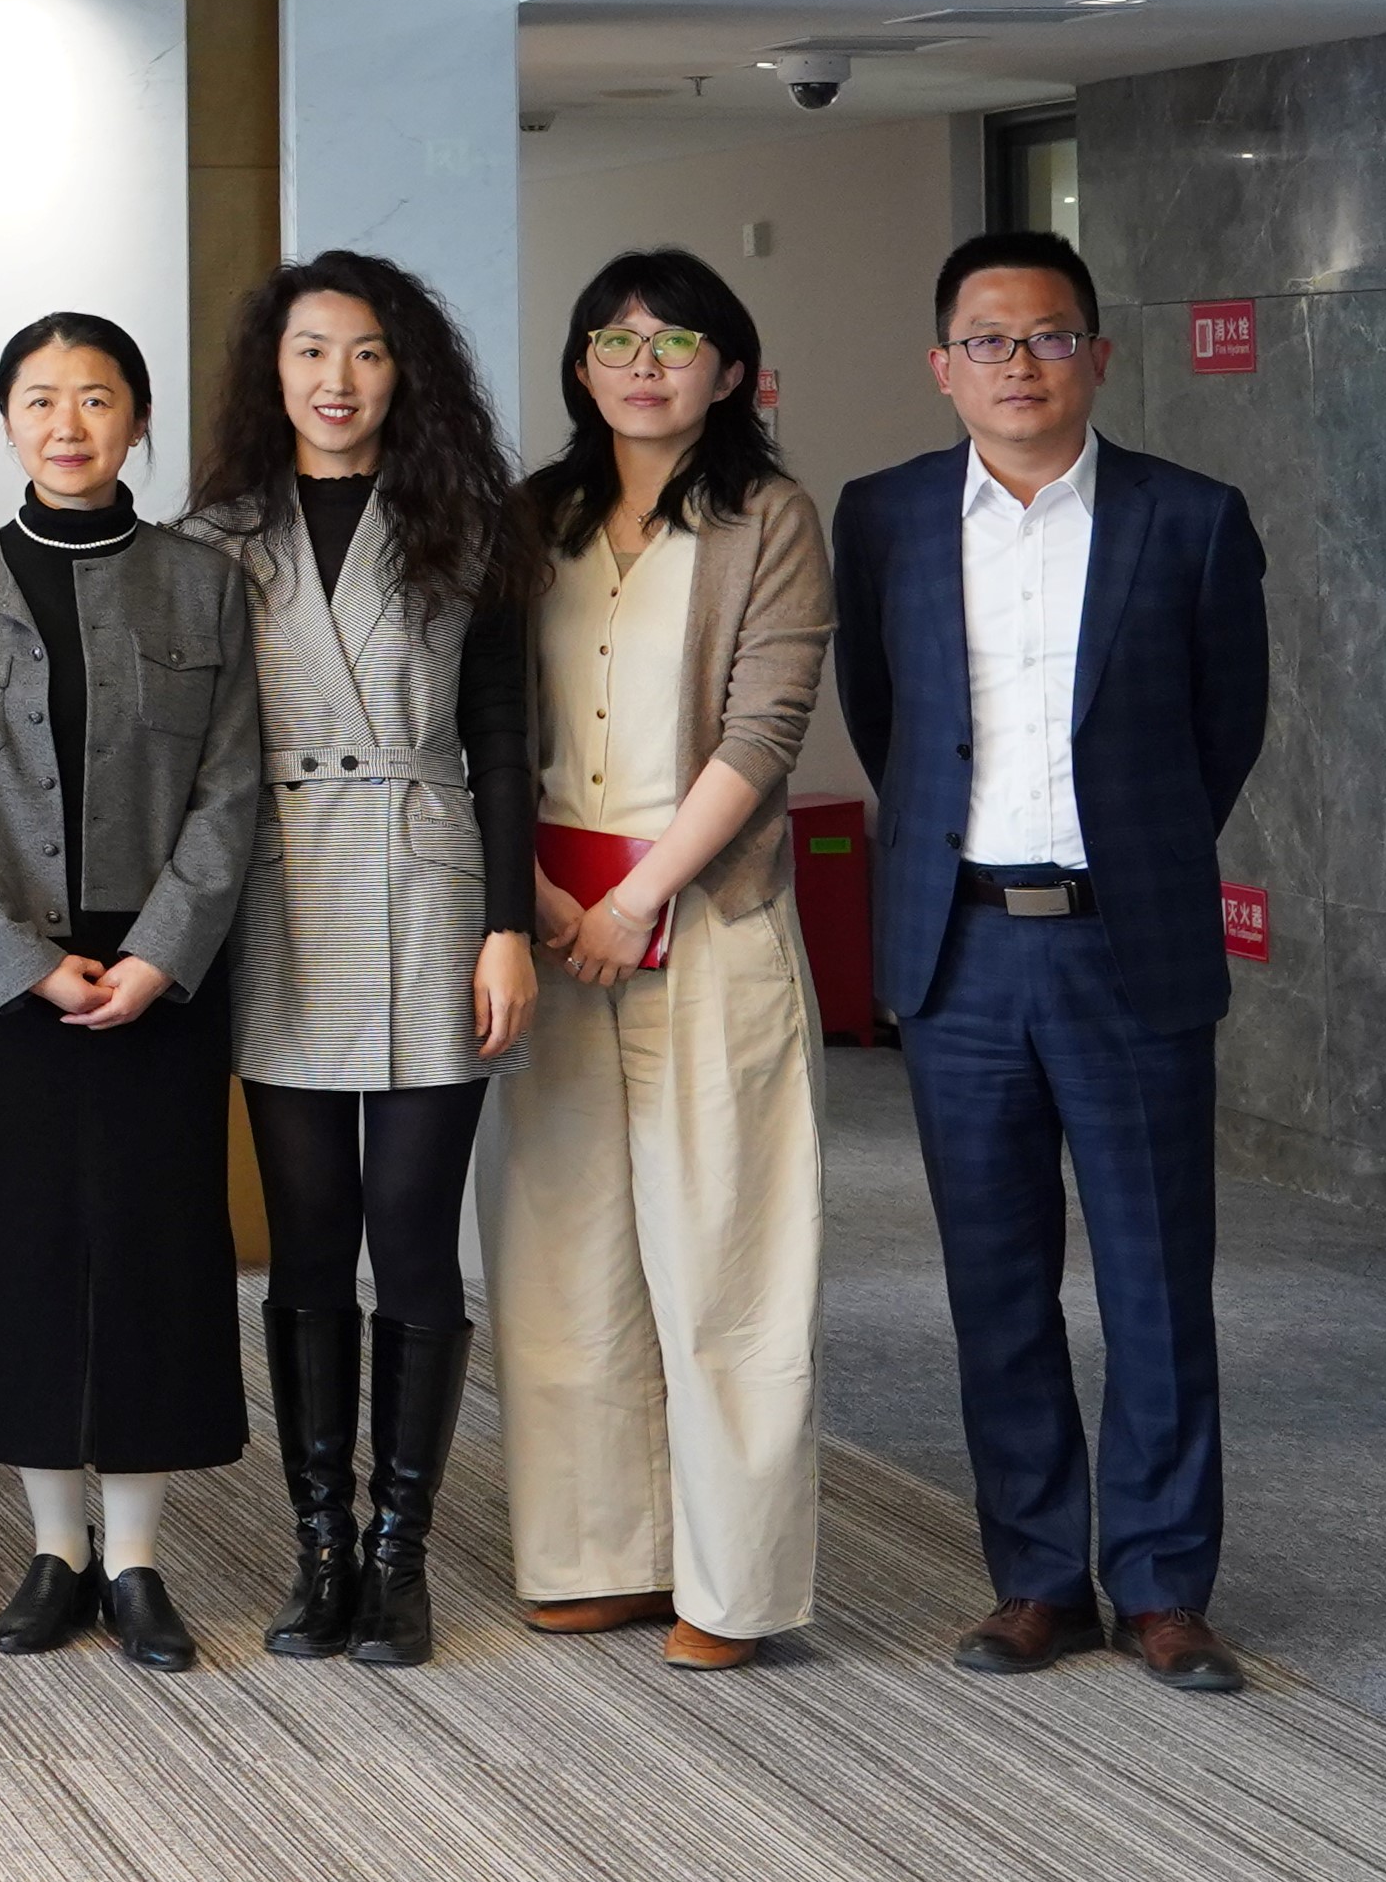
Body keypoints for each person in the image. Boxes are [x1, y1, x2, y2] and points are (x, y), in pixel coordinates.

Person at [833, 227, 1271, 1693]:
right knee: (996, 1283)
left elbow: (1223, 729)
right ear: (942, 365)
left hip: (1126, 947)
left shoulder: (1190, 518)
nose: (1018, 364)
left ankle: (1163, 1585)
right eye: (988, 340)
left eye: (1047, 336)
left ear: (1098, 353)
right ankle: (1034, 1579)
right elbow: (886, 717)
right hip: (959, 951)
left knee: (1156, 1280)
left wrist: (1127, 857)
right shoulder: (886, 516)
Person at [174, 251, 541, 1670]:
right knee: (310, 1238)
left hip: (432, 881)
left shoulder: (466, 523)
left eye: (369, 352)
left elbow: (503, 737)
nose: (339, 380)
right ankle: (317, 1545)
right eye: (312, 352)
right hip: (280, 897)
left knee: (414, 1235)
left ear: (407, 372)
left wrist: (508, 923)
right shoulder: (216, 537)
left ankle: (402, 1555)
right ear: (272, 372)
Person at [0, 309, 267, 1676]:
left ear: (138, 420)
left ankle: (140, 1559)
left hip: (161, 968)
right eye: (41, 399)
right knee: (19, 1246)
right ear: (6, 419)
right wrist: (21, 960)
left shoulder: (203, 585)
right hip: (2, 974)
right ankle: (54, 1549)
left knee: (155, 1244)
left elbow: (232, 782)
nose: (68, 424)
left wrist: (165, 950)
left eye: (97, 398)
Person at [489, 247, 833, 1671]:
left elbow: (765, 727)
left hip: (709, 920)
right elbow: (485, 721)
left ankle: (731, 1587)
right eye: (616, 342)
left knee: (727, 1252)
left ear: (730, 369)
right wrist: (537, 899)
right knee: (559, 1250)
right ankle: (597, 1557)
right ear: (580, 368)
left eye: (677, 341)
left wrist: (639, 898)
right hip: (550, 927)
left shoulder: (771, 516)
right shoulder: (535, 517)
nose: (646, 365)